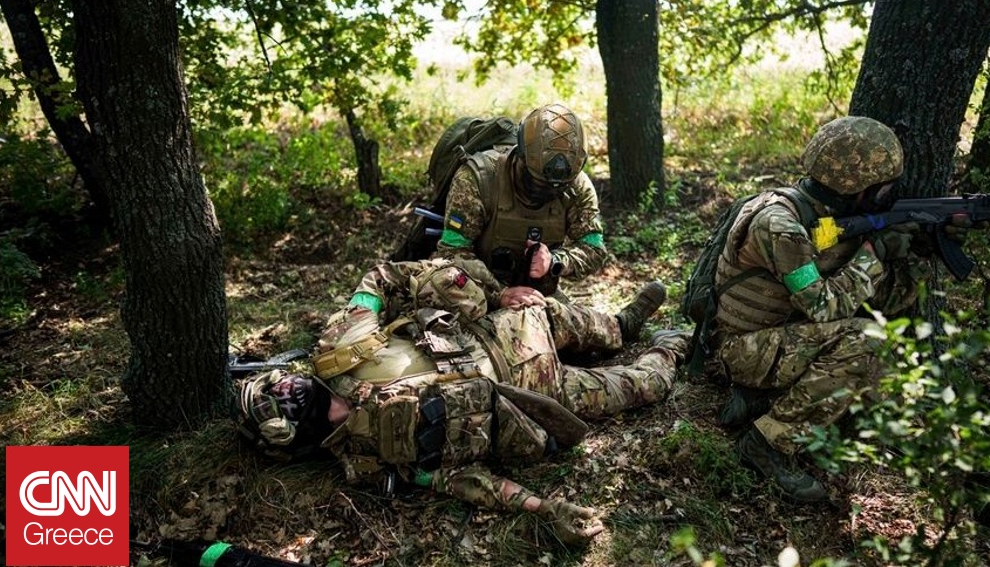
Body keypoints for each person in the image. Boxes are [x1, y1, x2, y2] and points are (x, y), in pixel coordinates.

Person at [235, 259, 684, 544]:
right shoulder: (372, 457)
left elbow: (383, 276)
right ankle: (674, 347)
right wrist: (543, 508)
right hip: (536, 397)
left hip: (506, 329)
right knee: (643, 386)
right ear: (289, 435)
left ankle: (624, 325)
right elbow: (461, 481)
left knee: (593, 328)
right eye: (277, 404)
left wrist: (493, 296)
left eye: (275, 386)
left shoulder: (339, 349)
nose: (286, 391)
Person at [705, 116, 965, 503]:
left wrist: (917, 253)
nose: (889, 195)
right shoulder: (781, 226)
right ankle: (767, 444)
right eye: (883, 190)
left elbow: (887, 302)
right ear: (860, 191)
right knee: (868, 340)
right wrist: (874, 254)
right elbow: (825, 308)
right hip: (739, 349)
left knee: (881, 363)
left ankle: (759, 400)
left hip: (775, 340)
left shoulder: (826, 222)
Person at [434, 103, 608, 299]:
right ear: (521, 157)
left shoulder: (577, 187)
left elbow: (594, 248)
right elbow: (452, 252)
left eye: (560, 186)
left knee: (577, 325)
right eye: (538, 183)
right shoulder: (479, 178)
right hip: (474, 291)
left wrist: (555, 261)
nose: (549, 191)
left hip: (537, 296)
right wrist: (500, 294)